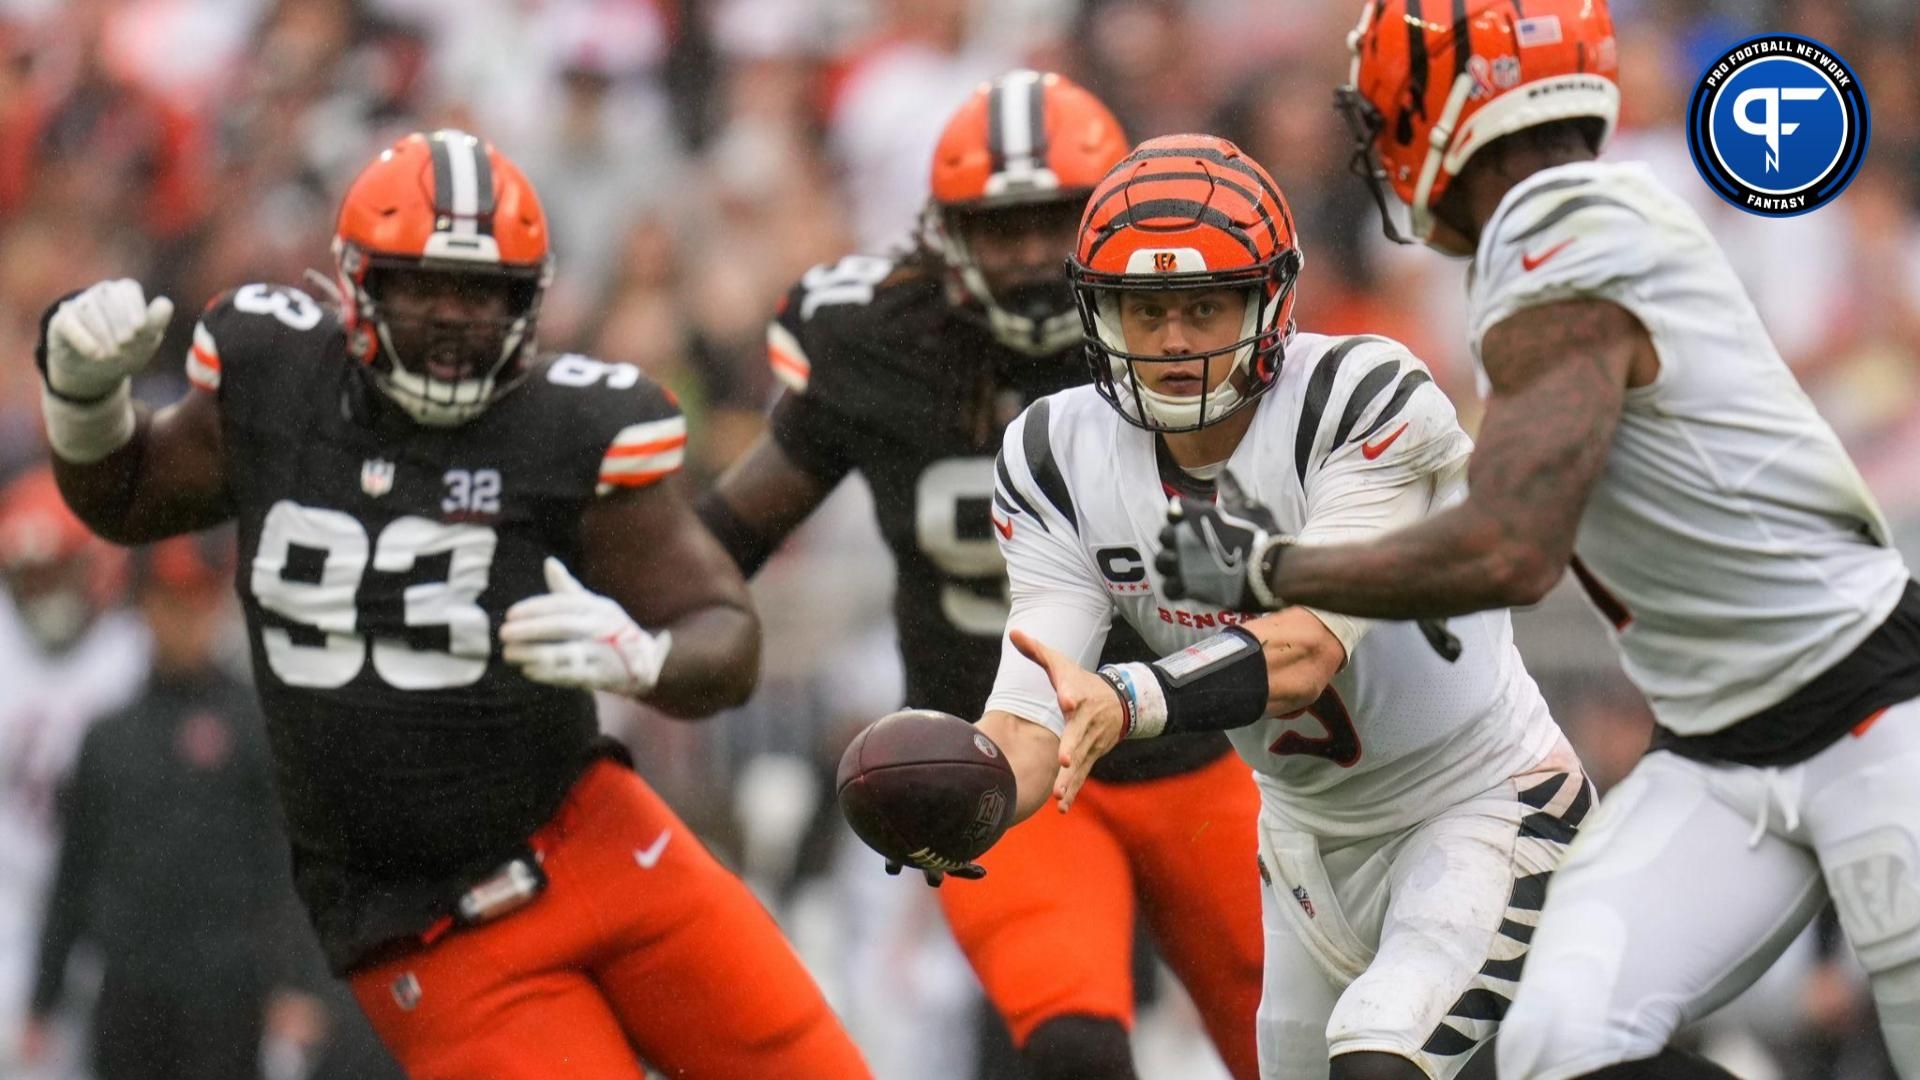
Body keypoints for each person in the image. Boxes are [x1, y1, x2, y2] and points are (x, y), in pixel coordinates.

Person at [1156, 2, 1920, 1077]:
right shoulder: (1568, 229)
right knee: (1555, 1044)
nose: (1376, 142)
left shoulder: (1561, 226)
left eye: (1386, 110)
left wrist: (1270, 567)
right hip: (1717, 744)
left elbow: (1512, 548)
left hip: (1878, 716)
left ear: (1446, 106)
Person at [30, 128, 871, 1080]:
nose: (453, 318)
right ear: (356, 284)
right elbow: (131, 495)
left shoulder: (566, 428)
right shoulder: (279, 383)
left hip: (601, 845)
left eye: (482, 293)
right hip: (429, 925)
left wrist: (645, 660)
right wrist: (86, 401)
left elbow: (723, 634)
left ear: (529, 301)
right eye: (422, 286)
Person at [898, 131, 1591, 1080]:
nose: (1176, 340)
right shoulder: (1055, 454)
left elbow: (1306, 650)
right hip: (1302, 844)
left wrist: (1134, 698)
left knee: (1390, 1062)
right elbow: (1032, 719)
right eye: (1145, 312)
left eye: (1205, 304)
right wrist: (959, 801)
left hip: (1477, 799)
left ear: (1270, 299)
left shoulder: (1363, 396)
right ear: (1096, 313)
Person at [701, 70, 1266, 1080]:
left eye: (1050, 222)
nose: (1024, 257)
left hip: (1194, 747)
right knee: (1074, 1050)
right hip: (1001, 758)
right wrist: (627, 611)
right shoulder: (881, 344)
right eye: (997, 227)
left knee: (1298, 1042)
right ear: (943, 232)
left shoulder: (1183, 322)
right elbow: (727, 533)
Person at [24, 532, 333, 1080]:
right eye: (171, 603)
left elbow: (286, 865)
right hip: (128, 985)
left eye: (198, 602)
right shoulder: (108, 736)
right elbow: (74, 871)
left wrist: (296, 984)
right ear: (143, 608)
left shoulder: (253, 724)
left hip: (227, 990)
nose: (185, 620)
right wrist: (42, 1001)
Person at [0, 466, 148, 1075]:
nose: (43, 591)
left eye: (55, 570)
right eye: (29, 575)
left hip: (106, 915)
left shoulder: (134, 658)